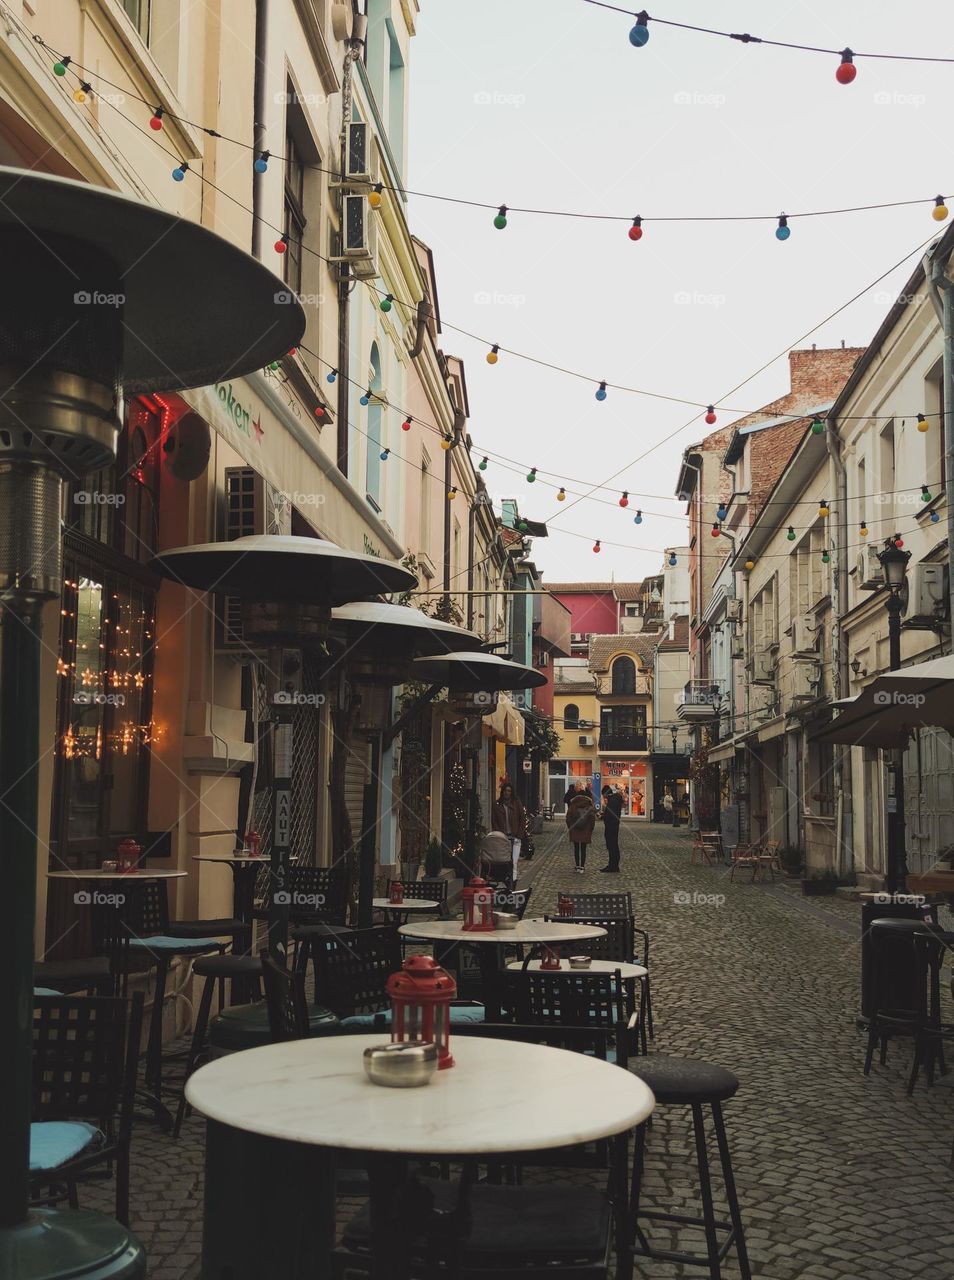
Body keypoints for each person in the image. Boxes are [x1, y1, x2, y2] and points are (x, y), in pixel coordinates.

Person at [491, 782, 526, 883]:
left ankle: (513, 881)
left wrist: (519, 835)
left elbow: (522, 819)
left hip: (515, 837)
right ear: (503, 792)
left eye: (509, 791)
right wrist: (499, 834)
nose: (507, 793)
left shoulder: (516, 803)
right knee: (504, 860)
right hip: (503, 837)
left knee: (514, 861)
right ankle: (505, 878)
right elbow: (494, 821)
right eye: (506, 791)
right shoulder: (497, 804)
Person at [565, 788, 596, 873]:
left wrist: (570, 827)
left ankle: (577, 866)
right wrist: (591, 828)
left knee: (576, 847)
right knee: (583, 848)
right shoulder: (589, 805)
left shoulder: (573, 804)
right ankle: (582, 866)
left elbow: (568, 817)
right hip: (586, 829)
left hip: (574, 829)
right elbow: (592, 818)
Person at [599, 784, 624, 872]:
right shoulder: (615, 799)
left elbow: (609, 814)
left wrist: (602, 816)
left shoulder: (612, 801)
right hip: (614, 825)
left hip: (611, 827)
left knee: (612, 846)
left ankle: (612, 866)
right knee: (614, 845)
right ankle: (614, 865)